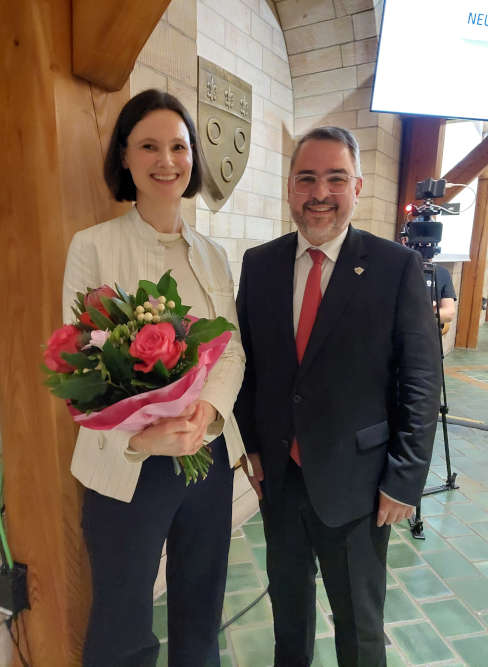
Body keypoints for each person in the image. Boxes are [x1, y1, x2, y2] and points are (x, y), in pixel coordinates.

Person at [234, 126, 441, 667]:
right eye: (307, 178)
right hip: (280, 480)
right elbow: (247, 365)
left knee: (359, 628)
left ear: (358, 187)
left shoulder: (395, 268)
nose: (319, 193)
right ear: (289, 187)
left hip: (361, 486)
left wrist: (405, 478)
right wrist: (252, 447)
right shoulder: (259, 265)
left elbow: (421, 379)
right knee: (289, 620)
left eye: (335, 179)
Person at [62, 89, 245, 667]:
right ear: (124, 158)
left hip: (205, 460)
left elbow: (232, 350)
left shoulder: (213, 254)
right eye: (149, 146)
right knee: (121, 626)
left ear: (193, 158)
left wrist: (206, 413)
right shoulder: (93, 245)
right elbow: (78, 364)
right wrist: (141, 437)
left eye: (178, 146)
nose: (166, 160)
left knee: (200, 612)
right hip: (127, 467)